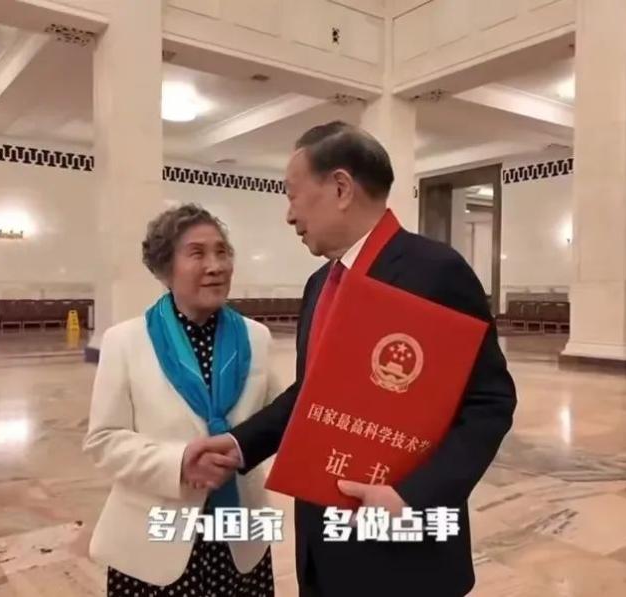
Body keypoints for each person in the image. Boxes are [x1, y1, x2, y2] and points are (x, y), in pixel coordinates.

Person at [190, 122, 517, 597]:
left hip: (404, 556)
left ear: (341, 188)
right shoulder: (319, 284)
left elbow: (489, 402)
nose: (289, 215)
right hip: (323, 540)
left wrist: (414, 499)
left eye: (293, 195)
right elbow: (312, 393)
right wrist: (239, 445)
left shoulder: (434, 271)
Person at [83, 204, 282, 596]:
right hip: (153, 541)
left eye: (222, 252)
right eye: (197, 253)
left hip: (240, 537)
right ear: (165, 269)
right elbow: (103, 441)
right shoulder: (125, 341)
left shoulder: (256, 338)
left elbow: (278, 421)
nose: (216, 266)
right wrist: (178, 462)